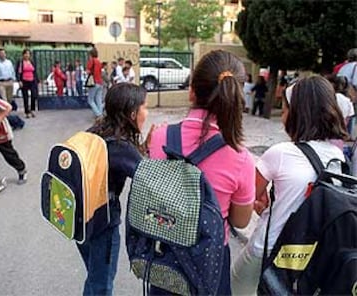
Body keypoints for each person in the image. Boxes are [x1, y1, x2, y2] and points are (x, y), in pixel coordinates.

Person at [149, 49, 256, 295]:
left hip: (166, 256)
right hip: (211, 261)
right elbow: (241, 221)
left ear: (192, 92)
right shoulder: (240, 157)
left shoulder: (159, 137)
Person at [231, 76, 348, 295]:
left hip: (267, 249)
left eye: (284, 110)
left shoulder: (281, 153)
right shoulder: (338, 158)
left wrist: (261, 199)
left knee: (233, 288)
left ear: (297, 114)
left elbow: (247, 197)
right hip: (307, 257)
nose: (283, 115)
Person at [76, 83, 148, 296]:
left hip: (80, 219)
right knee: (102, 284)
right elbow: (148, 178)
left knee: (95, 275)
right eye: (145, 107)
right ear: (133, 112)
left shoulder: (97, 130)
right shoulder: (120, 145)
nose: (147, 113)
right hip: (102, 222)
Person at [15, 49, 38, 118]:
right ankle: (27, 112)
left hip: (32, 80)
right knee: (25, 97)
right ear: (23, 55)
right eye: (26, 54)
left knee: (34, 95)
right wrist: (19, 80)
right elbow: (18, 72)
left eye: (28, 54)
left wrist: (37, 80)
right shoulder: (21, 62)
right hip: (24, 80)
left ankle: (32, 109)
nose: (27, 55)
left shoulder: (32, 62)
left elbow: (34, 71)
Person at [86, 48, 103, 120]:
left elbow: (88, 71)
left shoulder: (91, 61)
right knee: (98, 99)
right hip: (100, 82)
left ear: (90, 54)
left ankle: (98, 114)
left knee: (90, 100)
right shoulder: (99, 62)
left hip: (93, 82)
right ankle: (101, 114)